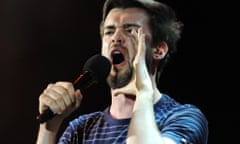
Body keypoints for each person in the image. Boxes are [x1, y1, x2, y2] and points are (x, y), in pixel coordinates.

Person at [36, 0, 209, 143]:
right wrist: (49, 128)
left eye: (130, 30)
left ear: (158, 50)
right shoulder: (81, 129)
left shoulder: (183, 117)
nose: (116, 38)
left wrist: (143, 91)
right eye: (109, 32)